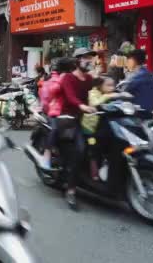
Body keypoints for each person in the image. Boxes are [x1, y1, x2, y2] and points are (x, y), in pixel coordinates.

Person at [58, 48, 97, 209]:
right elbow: (70, 96)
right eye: (86, 58)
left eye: (90, 58)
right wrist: (82, 106)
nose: (89, 61)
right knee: (79, 150)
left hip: (85, 119)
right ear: (77, 61)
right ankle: (71, 190)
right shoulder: (67, 78)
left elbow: (100, 89)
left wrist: (117, 96)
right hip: (69, 120)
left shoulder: (88, 78)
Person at [40, 57, 74, 169]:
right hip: (55, 111)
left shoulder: (76, 77)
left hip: (72, 111)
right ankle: (47, 153)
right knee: (55, 129)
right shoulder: (55, 79)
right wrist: (62, 80)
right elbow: (51, 93)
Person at [123, 49, 153, 117]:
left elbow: (127, 89)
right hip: (143, 111)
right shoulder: (146, 73)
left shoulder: (140, 75)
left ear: (133, 60)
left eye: (128, 60)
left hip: (140, 114)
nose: (126, 63)